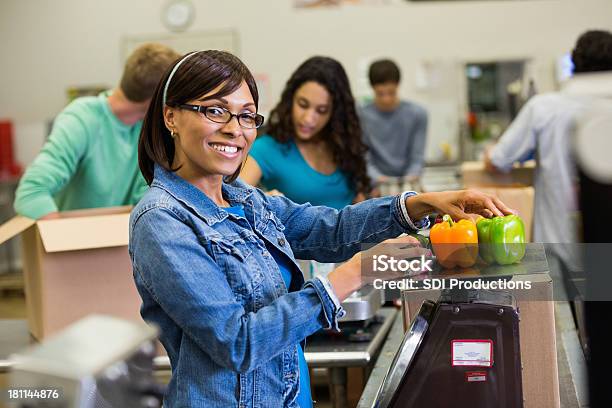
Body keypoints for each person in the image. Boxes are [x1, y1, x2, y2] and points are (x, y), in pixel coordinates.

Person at [130, 49, 514, 408]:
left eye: (247, 115)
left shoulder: (245, 199)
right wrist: (356, 272)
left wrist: (420, 204)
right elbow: (237, 342)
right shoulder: (162, 220)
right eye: (215, 111)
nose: (235, 129)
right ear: (170, 117)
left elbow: (330, 229)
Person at [484, 30, 612, 272]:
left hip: (561, 253)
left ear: (574, 63)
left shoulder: (544, 108)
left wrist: (490, 151)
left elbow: (498, 159)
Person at [14, 43, 180, 219]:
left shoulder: (148, 130)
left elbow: (145, 199)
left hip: (120, 241)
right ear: (157, 99)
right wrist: (65, 240)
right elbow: (31, 193)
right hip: (76, 239)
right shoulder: (82, 119)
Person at [240, 56, 370, 209]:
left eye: (321, 111)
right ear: (290, 100)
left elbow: (360, 207)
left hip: (349, 232)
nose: (308, 119)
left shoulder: (342, 146)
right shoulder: (266, 149)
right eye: (303, 105)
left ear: (335, 113)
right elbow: (233, 203)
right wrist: (259, 204)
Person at [359, 59, 428, 186]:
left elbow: (417, 157)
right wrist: (378, 179)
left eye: (391, 93)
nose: (386, 99)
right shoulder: (361, 116)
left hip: (408, 184)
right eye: (380, 94)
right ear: (372, 88)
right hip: (375, 186)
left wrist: (408, 181)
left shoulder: (417, 114)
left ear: (398, 86)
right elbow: (364, 158)